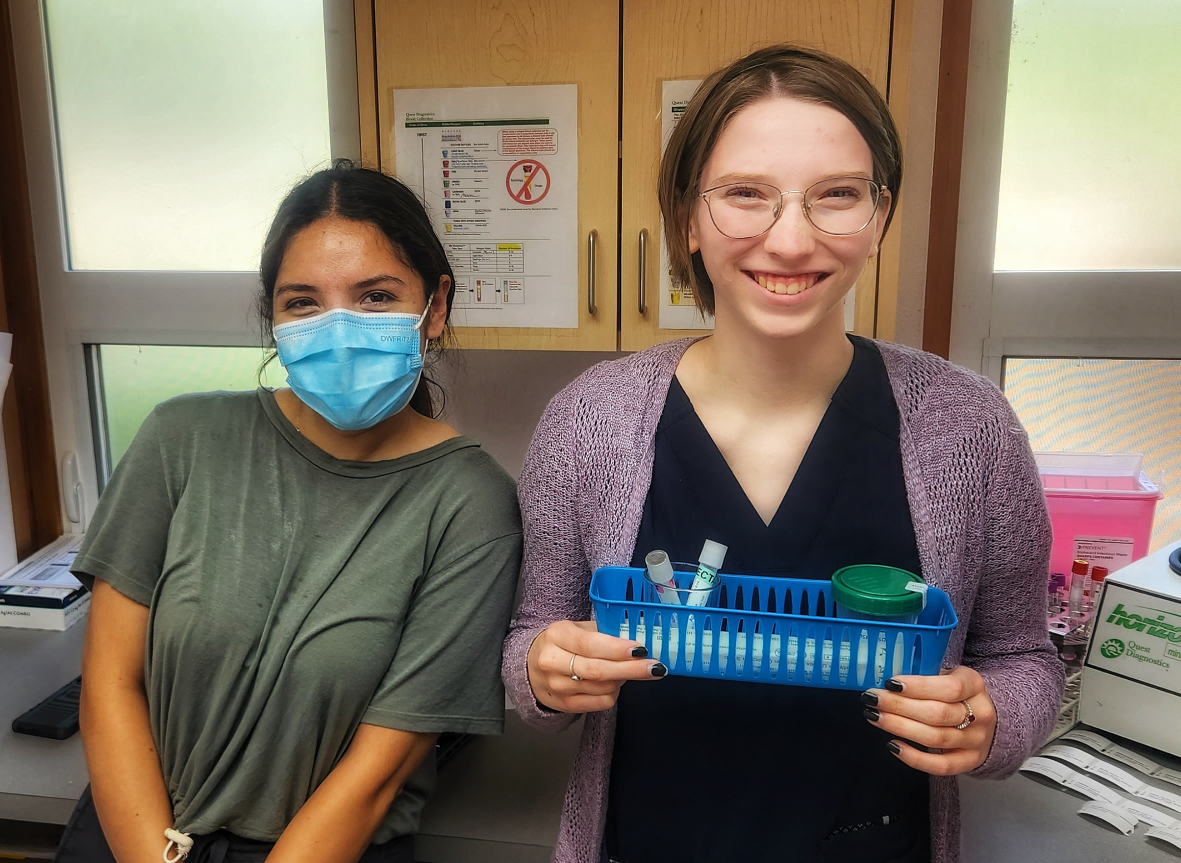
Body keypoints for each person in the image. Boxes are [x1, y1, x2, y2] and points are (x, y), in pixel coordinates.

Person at [503, 45, 1063, 863]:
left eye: (836, 195)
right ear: (688, 219)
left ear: (878, 217)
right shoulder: (589, 420)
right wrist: (544, 672)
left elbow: (1021, 657)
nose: (790, 239)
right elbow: (529, 638)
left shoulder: (968, 425)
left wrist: (989, 720)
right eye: (744, 195)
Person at [60, 162, 522, 863]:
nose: (339, 328)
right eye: (303, 302)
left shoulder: (470, 503)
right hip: (132, 836)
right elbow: (110, 685)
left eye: (374, 296)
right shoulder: (178, 439)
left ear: (435, 306)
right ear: (273, 317)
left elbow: (377, 773)